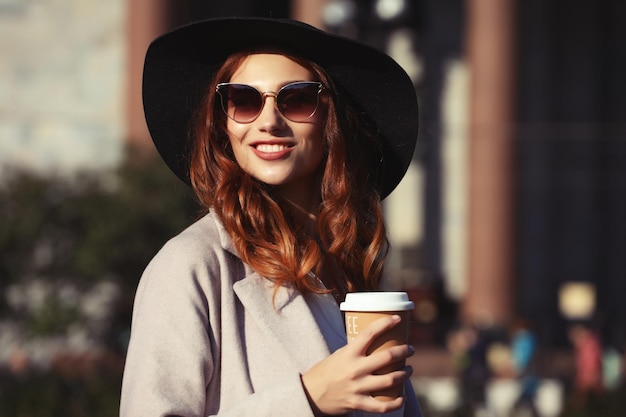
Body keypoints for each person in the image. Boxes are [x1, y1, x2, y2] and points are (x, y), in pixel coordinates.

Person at [120, 17, 421, 417]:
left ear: (333, 119)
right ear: (222, 123)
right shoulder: (191, 266)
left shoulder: (347, 270)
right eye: (243, 100)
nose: (268, 121)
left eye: (296, 99)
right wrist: (307, 398)